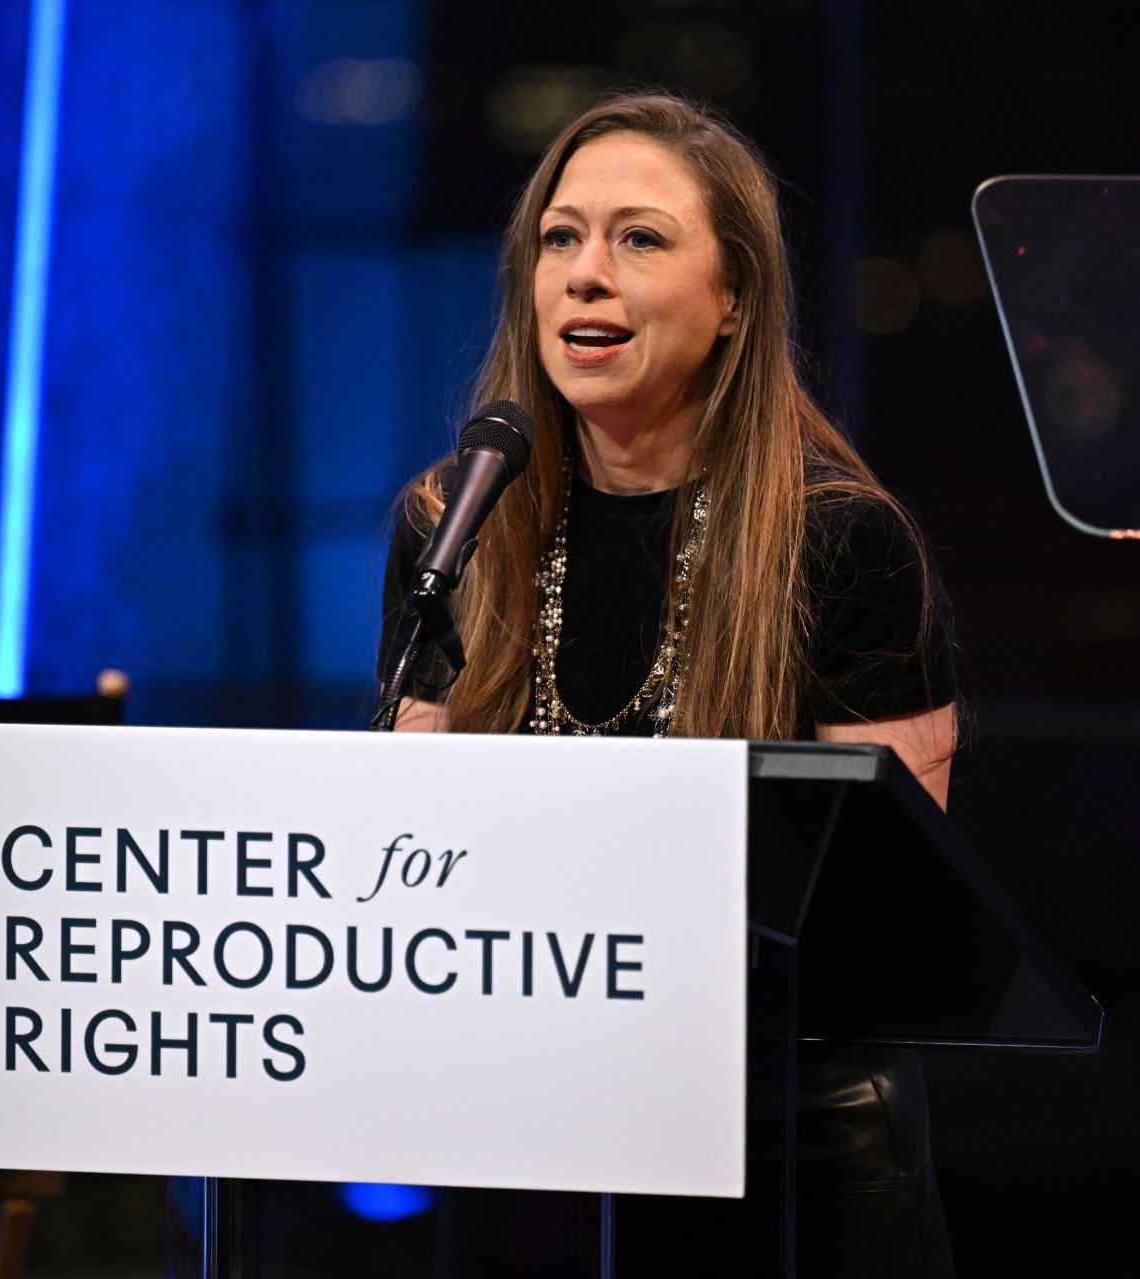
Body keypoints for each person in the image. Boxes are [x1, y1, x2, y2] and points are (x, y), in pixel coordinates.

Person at [377, 91, 958, 1276]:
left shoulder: (842, 539)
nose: (586, 274)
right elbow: (413, 851)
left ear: (734, 298)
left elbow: (893, 893)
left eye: (639, 238)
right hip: (529, 1130)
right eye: (560, 238)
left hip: (789, 1140)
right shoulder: (455, 521)